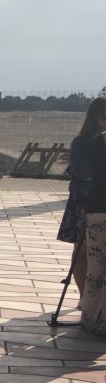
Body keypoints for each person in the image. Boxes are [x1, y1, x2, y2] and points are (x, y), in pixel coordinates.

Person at [58, 98, 106, 294]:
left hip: (99, 199)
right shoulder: (81, 142)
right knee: (82, 250)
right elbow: (82, 170)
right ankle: (84, 296)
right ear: (97, 118)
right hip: (85, 200)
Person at [78, 103, 106, 336]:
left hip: (97, 207)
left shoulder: (98, 142)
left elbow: (91, 176)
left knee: (95, 263)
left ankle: (91, 316)